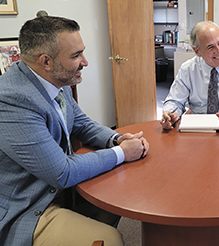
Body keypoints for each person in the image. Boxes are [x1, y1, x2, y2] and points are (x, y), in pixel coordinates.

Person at [0, 16, 150, 246]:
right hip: (29, 205)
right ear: (46, 62)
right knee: (109, 240)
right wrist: (122, 153)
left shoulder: (55, 81)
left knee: (122, 192)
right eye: (76, 55)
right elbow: (62, 172)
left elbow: (82, 124)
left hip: (60, 190)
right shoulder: (12, 100)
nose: (85, 62)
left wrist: (117, 138)